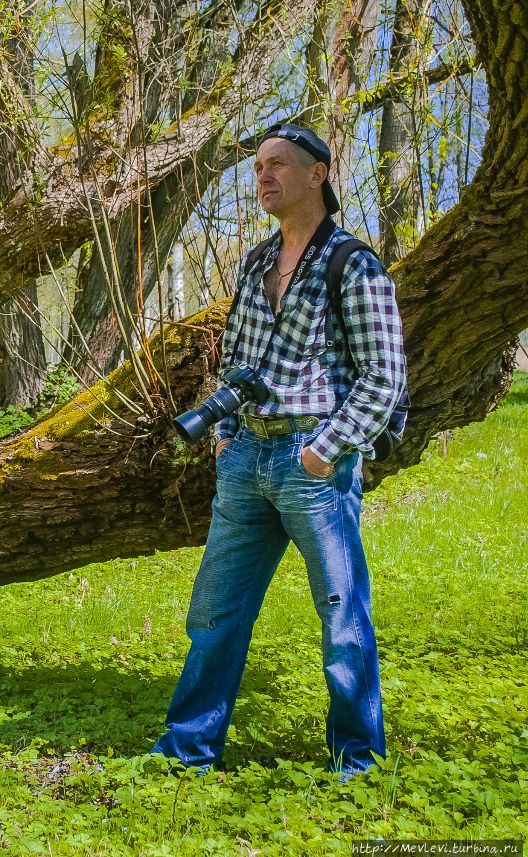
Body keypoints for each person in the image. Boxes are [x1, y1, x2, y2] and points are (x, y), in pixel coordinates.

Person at [150, 123, 408, 782]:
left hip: (313, 464)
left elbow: (385, 377)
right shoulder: (256, 261)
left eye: (278, 165)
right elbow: (236, 357)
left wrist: (323, 452)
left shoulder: (353, 262)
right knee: (214, 614)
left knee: (341, 619)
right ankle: (187, 751)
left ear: (319, 173)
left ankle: (358, 762)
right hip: (245, 462)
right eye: (258, 167)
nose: (263, 177)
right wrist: (224, 434)